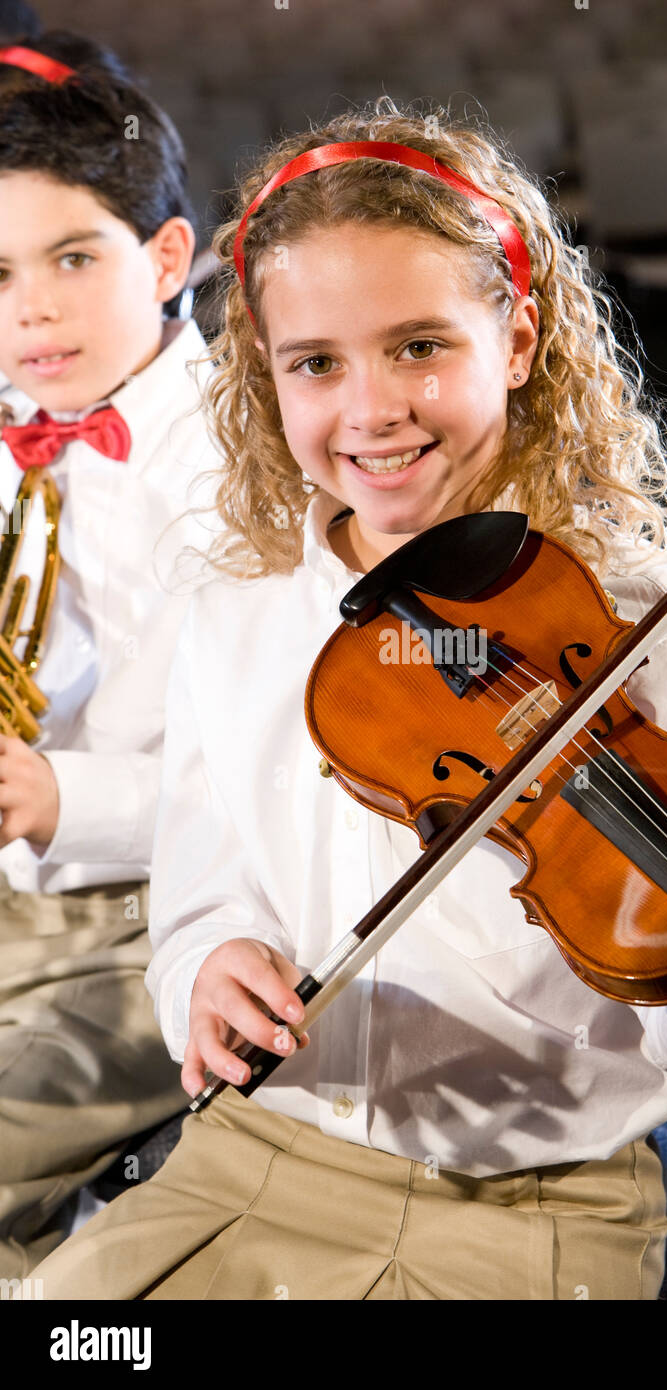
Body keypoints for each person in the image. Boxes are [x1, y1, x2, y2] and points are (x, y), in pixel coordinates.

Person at [29, 98, 667, 1301]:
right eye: (316, 364)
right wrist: (205, 969)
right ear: (266, 377)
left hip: (531, 1208)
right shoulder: (239, 605)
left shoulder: (647, 628)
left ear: (517, 340)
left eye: (420, 345)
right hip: (256, 1168)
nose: (370, 410)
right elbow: (203, 881)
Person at [0, 32, 221, 1277]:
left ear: (167, 256)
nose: (29, 308)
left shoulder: (233, 471)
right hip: (26, 899)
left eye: (72, 259)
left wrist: (57, 795)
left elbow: (264, 778)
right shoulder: (19, 429)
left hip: (166, 923)